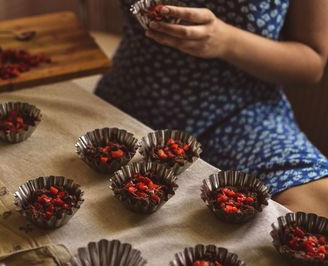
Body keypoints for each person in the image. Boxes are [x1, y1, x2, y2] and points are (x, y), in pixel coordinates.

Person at [95, 0, 328, 216]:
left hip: (243, 115)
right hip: (133, 99)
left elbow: (313, 63)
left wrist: (226, 41)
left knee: (319, 204)